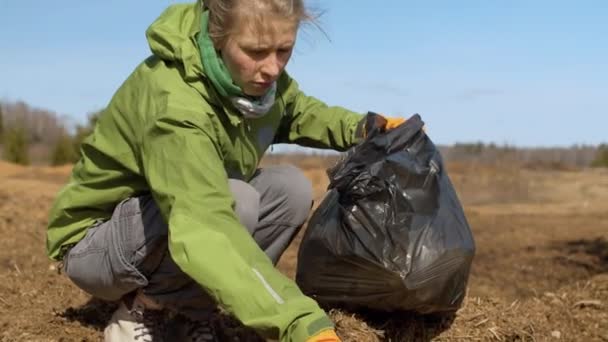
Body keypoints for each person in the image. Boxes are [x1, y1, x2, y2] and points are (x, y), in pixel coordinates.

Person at [46, 0, 405, 341]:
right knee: (237, 200)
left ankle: (191, 311)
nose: (272, 68)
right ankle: (142, 311)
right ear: (217, 37)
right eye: (255, 51)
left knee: (291, 190)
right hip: (97, 245)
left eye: (284, 50)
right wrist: (300, 323)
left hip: (174, 219)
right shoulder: (175, 103)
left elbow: (297, 111)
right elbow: (205, 225)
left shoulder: (258, 85)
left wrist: (364, 127)